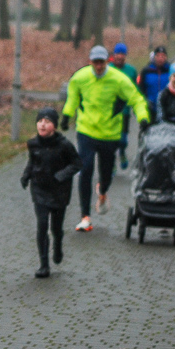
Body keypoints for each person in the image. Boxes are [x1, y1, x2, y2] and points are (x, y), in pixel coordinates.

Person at [61, 45, 150, 231]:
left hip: (110, 134)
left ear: (106, 61)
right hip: (86, 131)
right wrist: (66, 115)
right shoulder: (80, 77)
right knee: (85, 169)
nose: (99, 66)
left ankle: (102, 191)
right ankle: (85, 216)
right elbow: (73, 97)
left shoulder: (118, 79)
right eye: (95, 62)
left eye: (101, 62)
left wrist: (143, 118)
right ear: (90, 61)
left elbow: (136, 98)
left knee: (106, 172)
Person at [20, 108, 82, 277]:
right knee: (41, 225)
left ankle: (58, 244)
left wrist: (61, 175)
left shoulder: (64, 145)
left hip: (59, 191)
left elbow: (77, 164)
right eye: (40, 121)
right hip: (39, 188)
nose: (43, 124)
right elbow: (32, 161)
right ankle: (44, 264)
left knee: (56, 227)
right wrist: (26, 176)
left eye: (47, 122)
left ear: (54, 126)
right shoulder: (33, 144)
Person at [109, 43, 139, 170]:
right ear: (114, 55)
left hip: (125, 110)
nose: (120, 56)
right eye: (118, 54)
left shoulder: (131, 70)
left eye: (122, 54)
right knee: (110, 140)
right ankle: (111, 164)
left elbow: (135, 89)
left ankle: (122, 153)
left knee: (122, 140)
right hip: (109, 109)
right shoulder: (108, 69)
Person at [137, 46, 171, 122]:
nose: (160, 58)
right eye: (158, 56)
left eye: (163, 56)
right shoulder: (146, 71)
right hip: (150, 109)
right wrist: (145, 101)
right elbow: (141, 89)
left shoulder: (170, 70)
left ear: (166, 57)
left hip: (167, 109)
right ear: (154, 57)